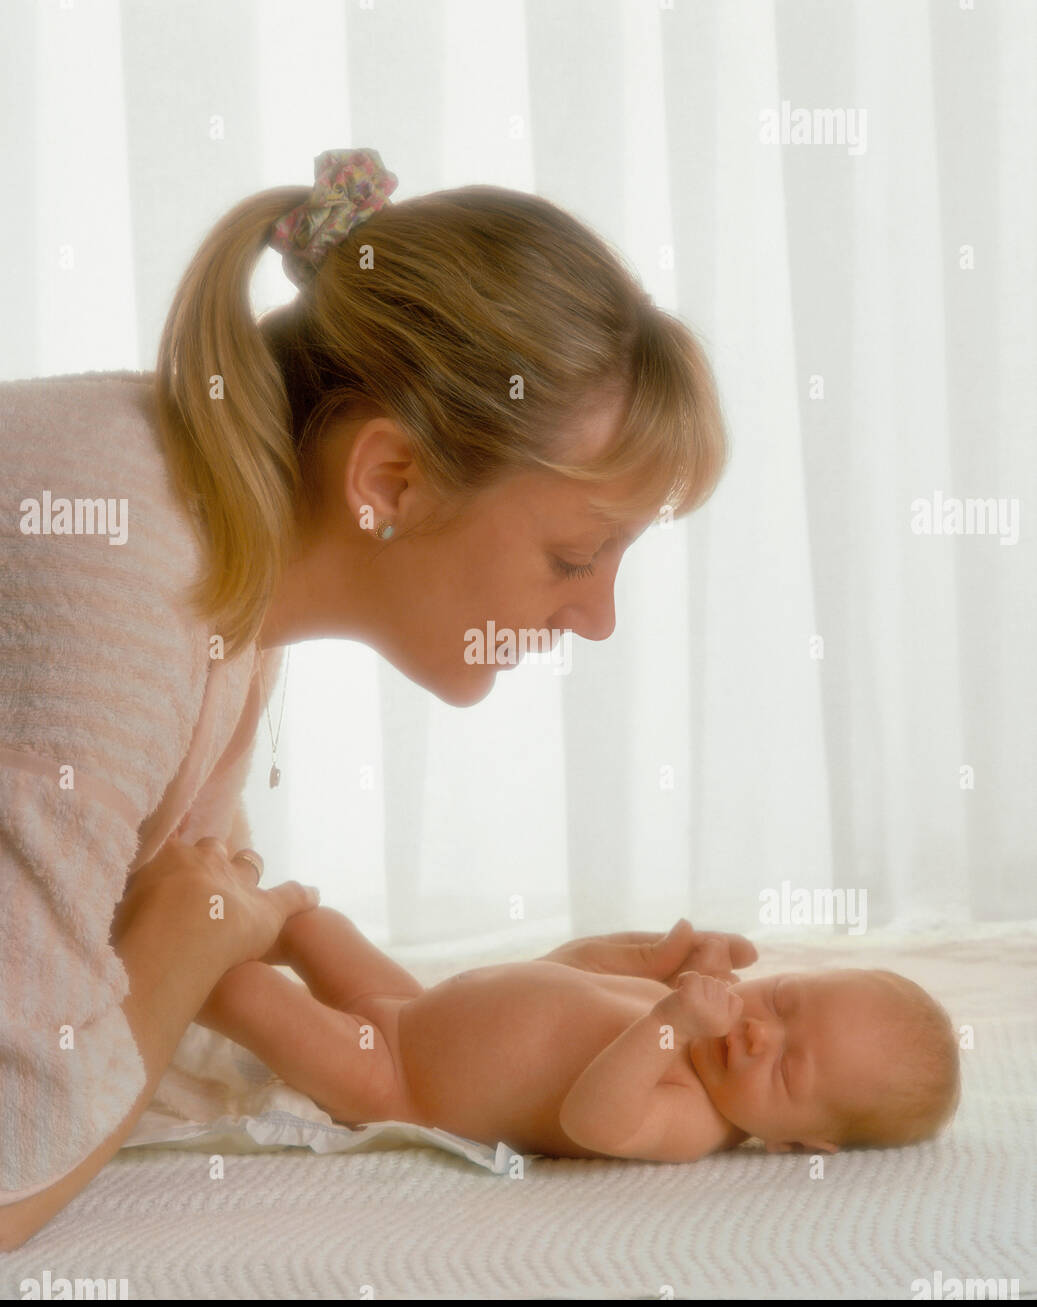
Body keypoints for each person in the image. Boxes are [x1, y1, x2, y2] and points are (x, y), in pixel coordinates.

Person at [0, 149, 727, 1246]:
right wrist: (193, 932)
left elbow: (173, 947)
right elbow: (14, 1156)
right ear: (389, 480)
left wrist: (533, 1002)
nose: (597, 619)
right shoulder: (128, 580)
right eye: (577, 557)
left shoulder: (220, 574)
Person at [197, 907, 962, 1160]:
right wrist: (650, 961)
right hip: (408, 1007)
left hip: (395, 1080)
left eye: (788, 1073)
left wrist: (669, 1018)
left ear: (798, 1144)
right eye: (784, 1002)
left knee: (239, 987)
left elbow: (591, 1119)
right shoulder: (689, 1018)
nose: (762, 1035)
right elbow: (566, 972)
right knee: (308, 924)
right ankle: (203, 883)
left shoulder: (693, 1120)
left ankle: (148, 957)